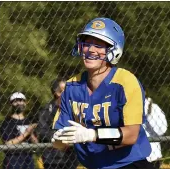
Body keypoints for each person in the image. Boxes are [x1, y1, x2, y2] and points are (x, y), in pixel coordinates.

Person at [52, 18, 156, 169]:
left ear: (114, 51)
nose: (91, 50)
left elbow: (131, 135)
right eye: (87, 43)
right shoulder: (71, 87)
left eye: (99, 45)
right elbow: (60, 141)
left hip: (129, 164)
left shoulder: (125, 82)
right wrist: (60, 139)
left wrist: (91, 135)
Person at [37, 78, 78, 169]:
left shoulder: (74, 109)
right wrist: (63, 137)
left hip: (71, 157)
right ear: (57, 93)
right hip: (52, 159)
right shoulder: (47, 110)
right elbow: (42, 132)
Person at [0, 92, 38, 169]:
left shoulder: (28, 121)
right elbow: (8, 143)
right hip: (13, 160)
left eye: (21, 100)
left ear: (25, 103)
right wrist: (26, 133)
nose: (19, 103)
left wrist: (31, 133)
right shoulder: (7, 122)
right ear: (11, 104)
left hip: (28, 159)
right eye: (15, 101)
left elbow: (36, 143)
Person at [143, 88, 168, 169]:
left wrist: (149, 115)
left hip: (152, 156)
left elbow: (161, 130)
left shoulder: (153, 107)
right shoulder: (125, 106)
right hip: (132, 156)